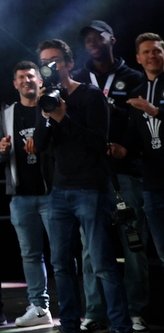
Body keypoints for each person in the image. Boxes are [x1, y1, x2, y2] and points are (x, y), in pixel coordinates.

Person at [32, 39, 131, 333]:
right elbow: (39, 145)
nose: (50, 67)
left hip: (90, 188)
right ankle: (70, 326)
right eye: (45, 63)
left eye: (55, 61)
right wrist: (45, 112)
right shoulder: (47, 100)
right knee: (61, 264)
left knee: (101, 263)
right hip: (59, 190)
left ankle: (120, 326)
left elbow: (98, 143)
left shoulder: (90, 95)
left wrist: (64, 118)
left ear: (69, 63)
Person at [73, 21, 147, 332]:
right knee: (91, 249)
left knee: (132, 246)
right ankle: (95, 311)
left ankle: (136, 311)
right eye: (87, 39)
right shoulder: (77, 80)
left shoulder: (134, 78)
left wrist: (125, 147)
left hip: (125, 174)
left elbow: (141, 122)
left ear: (112, 40)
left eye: (98, 37)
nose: (92, 42)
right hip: (90, 178)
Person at [0, 62, 54, 327]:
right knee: (30, 255)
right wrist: (1, 150)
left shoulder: (51, 107)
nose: (26, 80)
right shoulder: (6, 115)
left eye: (31, 76)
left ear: (40, 81)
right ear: (15, 84)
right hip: (21, 195)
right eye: (21, 78)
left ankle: (75, 306)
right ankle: (39, 306)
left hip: (53, 193)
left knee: (62, 253)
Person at [117, 34, 164, 261]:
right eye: (146, 52)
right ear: (138, 58)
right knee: (162, 251)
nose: (152, 56)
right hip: (152, 184)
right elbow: (133, 138)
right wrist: (119, 149)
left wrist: (155, 111)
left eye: (156, 51)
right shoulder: (136, 93)